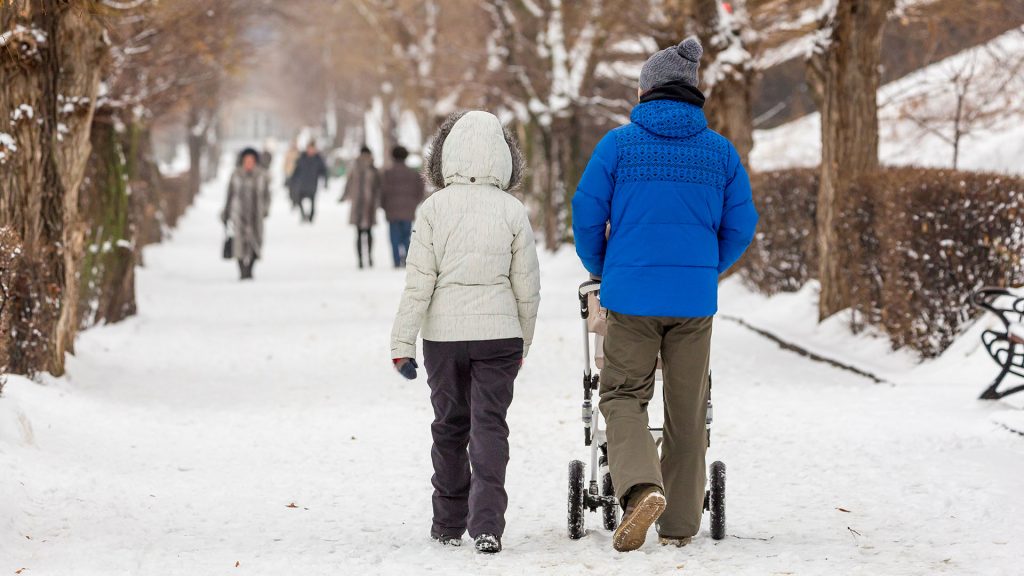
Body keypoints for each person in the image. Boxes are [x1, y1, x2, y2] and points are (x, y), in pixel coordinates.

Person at [572, 36, 758, 552]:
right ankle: (678, 526)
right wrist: (704, 268)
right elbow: (742, 224)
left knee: (622, 395)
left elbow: (586, 212)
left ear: (648, 90)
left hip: (630, 299)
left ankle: (640, 487)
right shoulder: (720, 151)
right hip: (693, 303)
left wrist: (604, 268)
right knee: (687, 410)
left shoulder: (618, 145)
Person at [389, 111, 541, 555]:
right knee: (490, 427)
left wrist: (402, 345)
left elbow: (418, 281)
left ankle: (448, 521)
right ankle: (488, 524)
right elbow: (527, 286)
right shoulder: (513, 211)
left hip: (444, 338)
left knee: (449, 427)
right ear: (505, 157)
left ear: (444, 155)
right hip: (500, 336)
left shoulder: (433, 209)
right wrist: (523, 342)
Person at [221, 148, 271, 280]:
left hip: (256, 213)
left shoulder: (261, 176)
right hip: (238, 213)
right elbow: (229, 194)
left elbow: (267, 195)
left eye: (251, 160)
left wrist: (265, 209)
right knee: (239, 242)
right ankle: (242, 269)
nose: (249, 163)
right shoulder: (236, 175)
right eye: (246, 160)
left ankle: (250, 268)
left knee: (256, 240)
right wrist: (226, 212)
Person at [380, 145, 426, 268]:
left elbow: (382, 191)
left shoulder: (387, 174)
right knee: (407, 236)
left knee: (394, 237)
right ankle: (407, 260)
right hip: (408, 210)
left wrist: (384, 205)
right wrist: (414, 203)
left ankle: (396, 261)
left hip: (392, 210)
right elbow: (420, 190)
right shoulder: (413, 174)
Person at [342, 146, 381, 269]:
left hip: (359, 204)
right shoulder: (373, 168)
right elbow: (379, 187)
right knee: (368, 232)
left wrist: (344, 196)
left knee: (359, 233)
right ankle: (367, 257)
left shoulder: (355, 167)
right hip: (369, 204)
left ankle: (362, 259)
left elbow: (348, 183)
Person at [289, 141, 328, 223]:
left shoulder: (318, 159)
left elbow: (323, 171)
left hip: (312, 184)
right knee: (299, 200)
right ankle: (303, 215)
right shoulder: (302, 158)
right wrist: (292, 180)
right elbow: (296, 170)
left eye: (312, 149)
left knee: (313, 202)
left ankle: (311, 217)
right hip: (302, 184)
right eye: (309, 148)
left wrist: (325, 182)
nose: (311, 150)